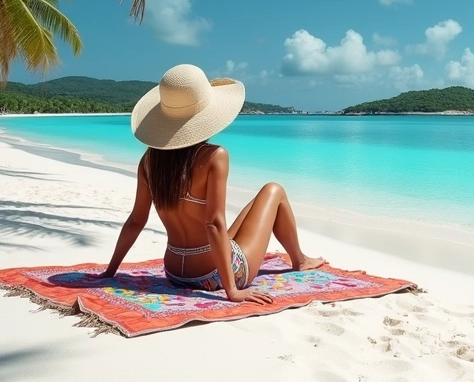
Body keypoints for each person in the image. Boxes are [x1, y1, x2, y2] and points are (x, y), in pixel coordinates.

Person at [98, 64, 324, 304]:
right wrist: (232, 291)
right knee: (273, 190)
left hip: (174, 273)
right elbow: (214, 224)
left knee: (254, 205)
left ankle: (298, 258)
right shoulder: (215, 156)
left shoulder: (149, 161)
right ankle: (299, 260)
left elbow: (136, 221)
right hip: (211, 275)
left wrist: (111, 271)